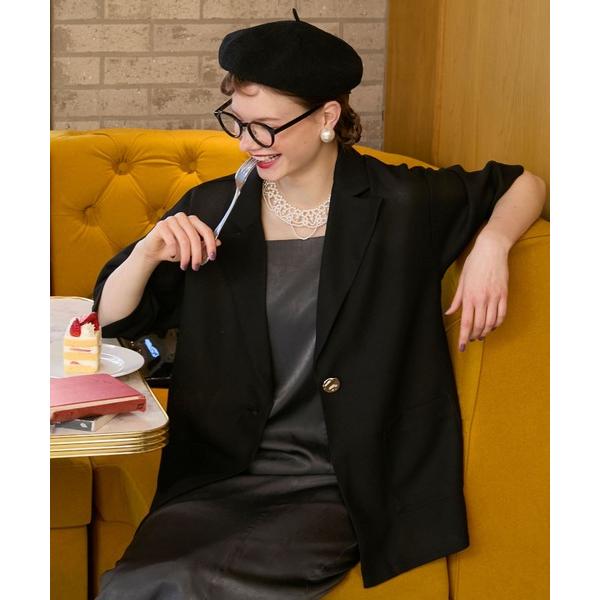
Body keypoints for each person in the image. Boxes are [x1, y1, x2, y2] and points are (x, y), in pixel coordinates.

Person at [93, 9, 546, 600]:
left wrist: (492, 244)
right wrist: (147, 251)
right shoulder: (215, 208)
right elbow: (113, 319)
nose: (247, 143)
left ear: (328, 117)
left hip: (343, 482)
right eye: (237, 122)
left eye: (267, 127)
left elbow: (522, 182)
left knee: (183, 582)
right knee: (131, 583)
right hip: (219, 474)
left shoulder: (399, 204)